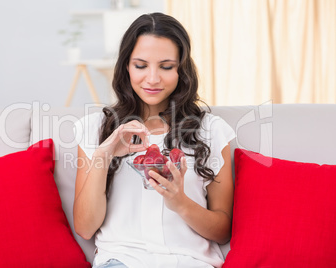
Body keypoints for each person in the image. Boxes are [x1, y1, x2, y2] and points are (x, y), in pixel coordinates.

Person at [73, 12, 235, 268]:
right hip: (121, 261)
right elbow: (84, 227)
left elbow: (222, 231)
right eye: (140, 65)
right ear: (126, 66)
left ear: (182, 70)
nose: (152, 78)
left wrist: (179, 202)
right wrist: (103, 157)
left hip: (189, 262)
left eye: (166, 66)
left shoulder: (211, 131)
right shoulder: (95, 129)